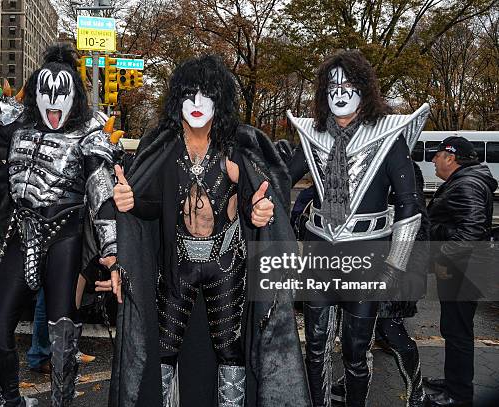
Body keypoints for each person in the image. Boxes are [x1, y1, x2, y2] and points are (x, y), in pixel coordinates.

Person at [0, 36, 121, 406]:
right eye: (46, 92)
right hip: (19, 229)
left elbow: (100, 190)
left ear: (74, 94)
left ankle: (62, 402)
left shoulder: (89, 129)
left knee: (62, 329)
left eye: (62, 93)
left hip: (66, 233)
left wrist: (110, 252)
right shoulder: (16, 119)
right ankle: (11, 400)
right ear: (37, 93)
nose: (53, 103)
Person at [109, 55, 310, 407]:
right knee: (164, 349)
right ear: (178, 101)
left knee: (230, 351)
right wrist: (131, 203)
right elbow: (153, 207)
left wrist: (260, 212)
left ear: (220, 100)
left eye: (206, 95)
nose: (197, 104)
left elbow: (255, 201)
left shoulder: (234, 150)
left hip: (226, 265)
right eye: (189, 95)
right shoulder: (166, 149)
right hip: (178, 266)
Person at [286, 49, 429, 407]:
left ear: (364, 89)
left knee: (355, 351)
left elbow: (409, 206)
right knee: (315, 348)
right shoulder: (313, 137)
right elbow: (277, 177)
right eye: (331, 86)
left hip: (368, 255)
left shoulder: (387, 138)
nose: (339, 93)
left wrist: (396, 265)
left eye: (348, 84)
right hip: (319, 252)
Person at [331, 161, 430, 407]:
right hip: (366, 263)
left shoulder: (400, 166)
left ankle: (417, 395)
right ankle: (350, 382)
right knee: (360, 331)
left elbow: (411, 223)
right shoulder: (365, 163)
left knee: (389, 329)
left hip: (397, 266)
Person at [423, 136, 497, 407]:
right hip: (464, 268)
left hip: (462, 270)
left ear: (450, 158)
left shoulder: (466, 184)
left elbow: (472, 231)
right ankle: (454, 382)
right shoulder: (466, 180)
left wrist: (442, 257)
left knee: (457, 332)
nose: (433, 160)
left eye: (437, 155)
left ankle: (458, 395)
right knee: (454, 329)